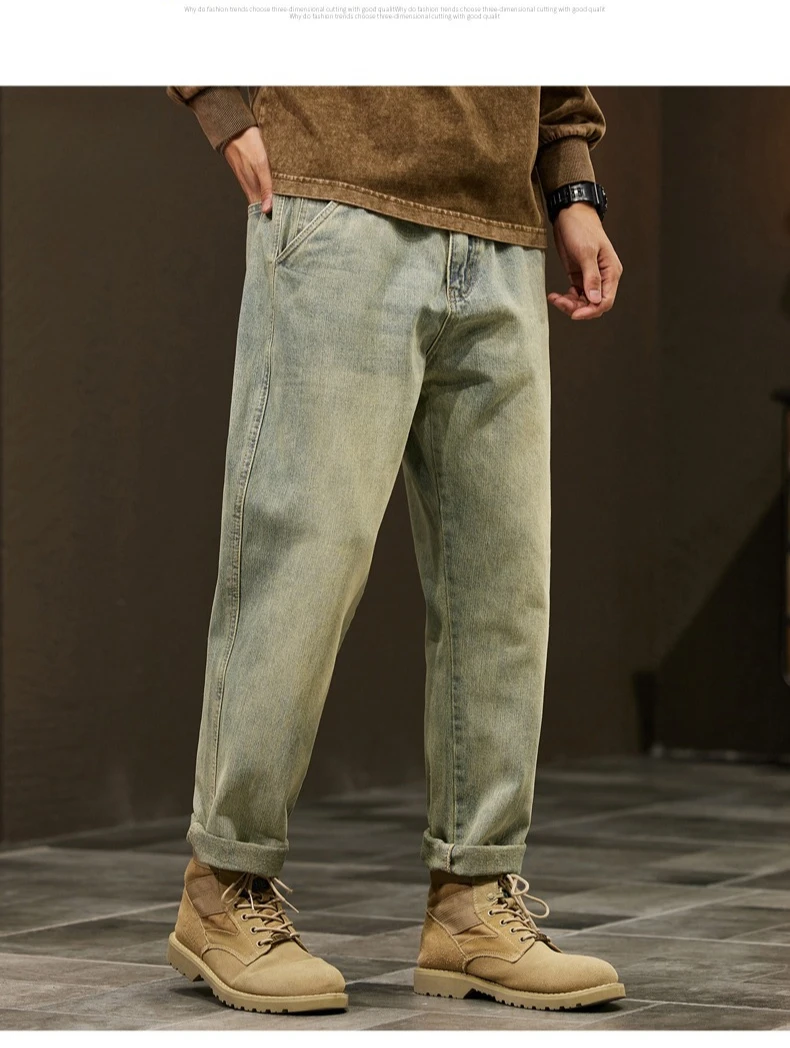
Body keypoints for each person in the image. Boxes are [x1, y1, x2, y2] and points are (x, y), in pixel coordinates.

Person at [163, 86, 625, 1016]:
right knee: (304, 562)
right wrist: (219, 100)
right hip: (338, 200)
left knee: (504, 583)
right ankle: (223, 886)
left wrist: (570, 183)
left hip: (502, 229)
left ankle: (474, 899)